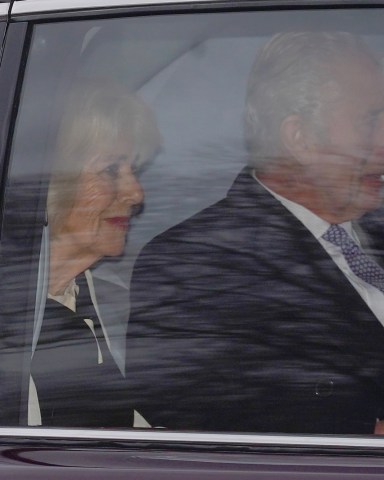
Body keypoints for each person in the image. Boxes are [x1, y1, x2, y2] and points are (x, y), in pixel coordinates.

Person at [125, 32, 384, 434]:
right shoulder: (196, 266)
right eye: (370, 122)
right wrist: (360, 430)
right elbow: (206, 423)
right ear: (300, 139)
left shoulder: (375, 234)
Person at [29, 80, 161, 427]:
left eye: (134, 170)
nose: (136, 193)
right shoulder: (13, 309)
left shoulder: (113, 300)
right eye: (111, 170)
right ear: (51, 183)